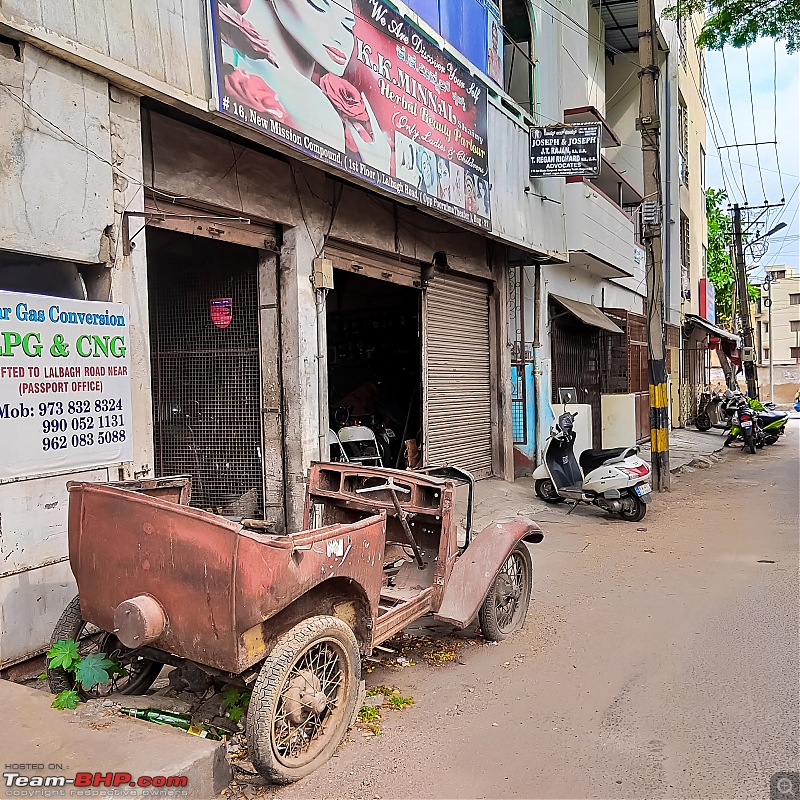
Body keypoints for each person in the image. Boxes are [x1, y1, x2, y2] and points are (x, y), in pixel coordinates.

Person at [219, 0, 391, 171]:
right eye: (318, 5)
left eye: (348, 26)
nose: (340, 37)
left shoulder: (318, 108)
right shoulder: (230, 54)